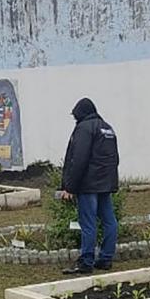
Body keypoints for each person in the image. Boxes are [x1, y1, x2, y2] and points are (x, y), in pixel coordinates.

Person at [60, 98, 120, 275]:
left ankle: (86, 261)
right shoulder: (107, 128)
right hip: (105, 184)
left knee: (88, 223)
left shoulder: (84, 128)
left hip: (88, 184)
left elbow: (78, 159)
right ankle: (106, 258)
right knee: (109, 220)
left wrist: (69, 186)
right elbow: (114, 158)